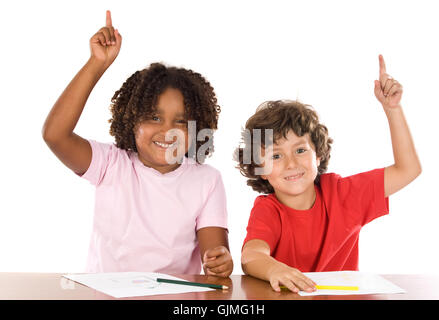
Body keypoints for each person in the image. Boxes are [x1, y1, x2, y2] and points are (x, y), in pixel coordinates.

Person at [42, 11, 233, 277]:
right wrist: (96, 63)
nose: (167, 131)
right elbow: (55, 135)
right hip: (107, 294)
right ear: (131, 120)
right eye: (154, 117)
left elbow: (214, 251)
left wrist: (219, 260)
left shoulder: (207, 180)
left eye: (180, 121)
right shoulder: (110, 164)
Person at [236, 55, 421, 292]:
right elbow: (251, 255)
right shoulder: (268, 209)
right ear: (260, 169)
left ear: (319, 154)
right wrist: (273, 269)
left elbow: (408, 169)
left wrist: (392, 109)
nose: (291, 164)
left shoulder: (343, 193)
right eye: (276, 155)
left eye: (300, 150)